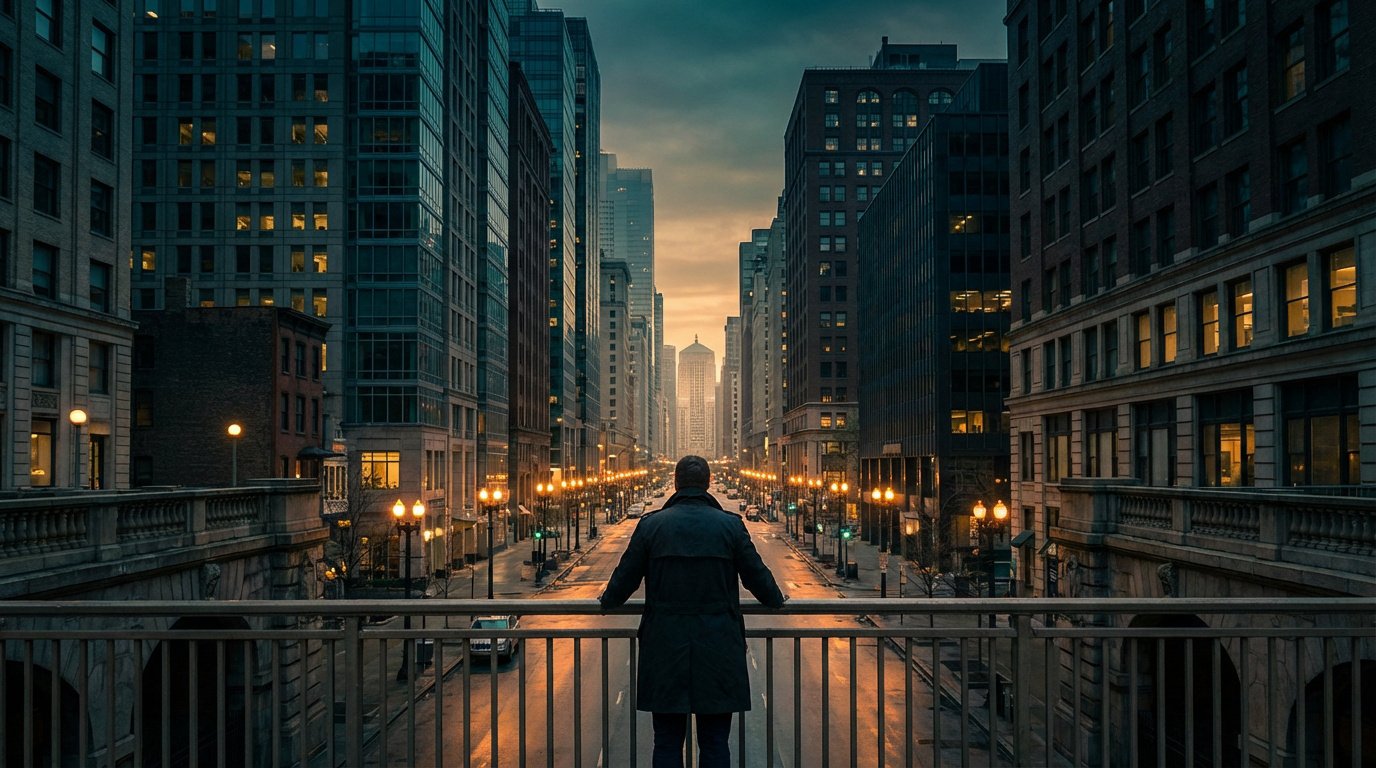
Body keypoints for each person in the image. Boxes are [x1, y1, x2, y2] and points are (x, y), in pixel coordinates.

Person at [599, 455, 786, 768]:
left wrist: (606, 601)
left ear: (675, 483)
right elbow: (759, 579)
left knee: (667, 743)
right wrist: (777, 599)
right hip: (718, 649)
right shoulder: (730, 525)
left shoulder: (651, 526)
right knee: (715, 743)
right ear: (708, 483)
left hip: (664, 649)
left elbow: (622, 583)